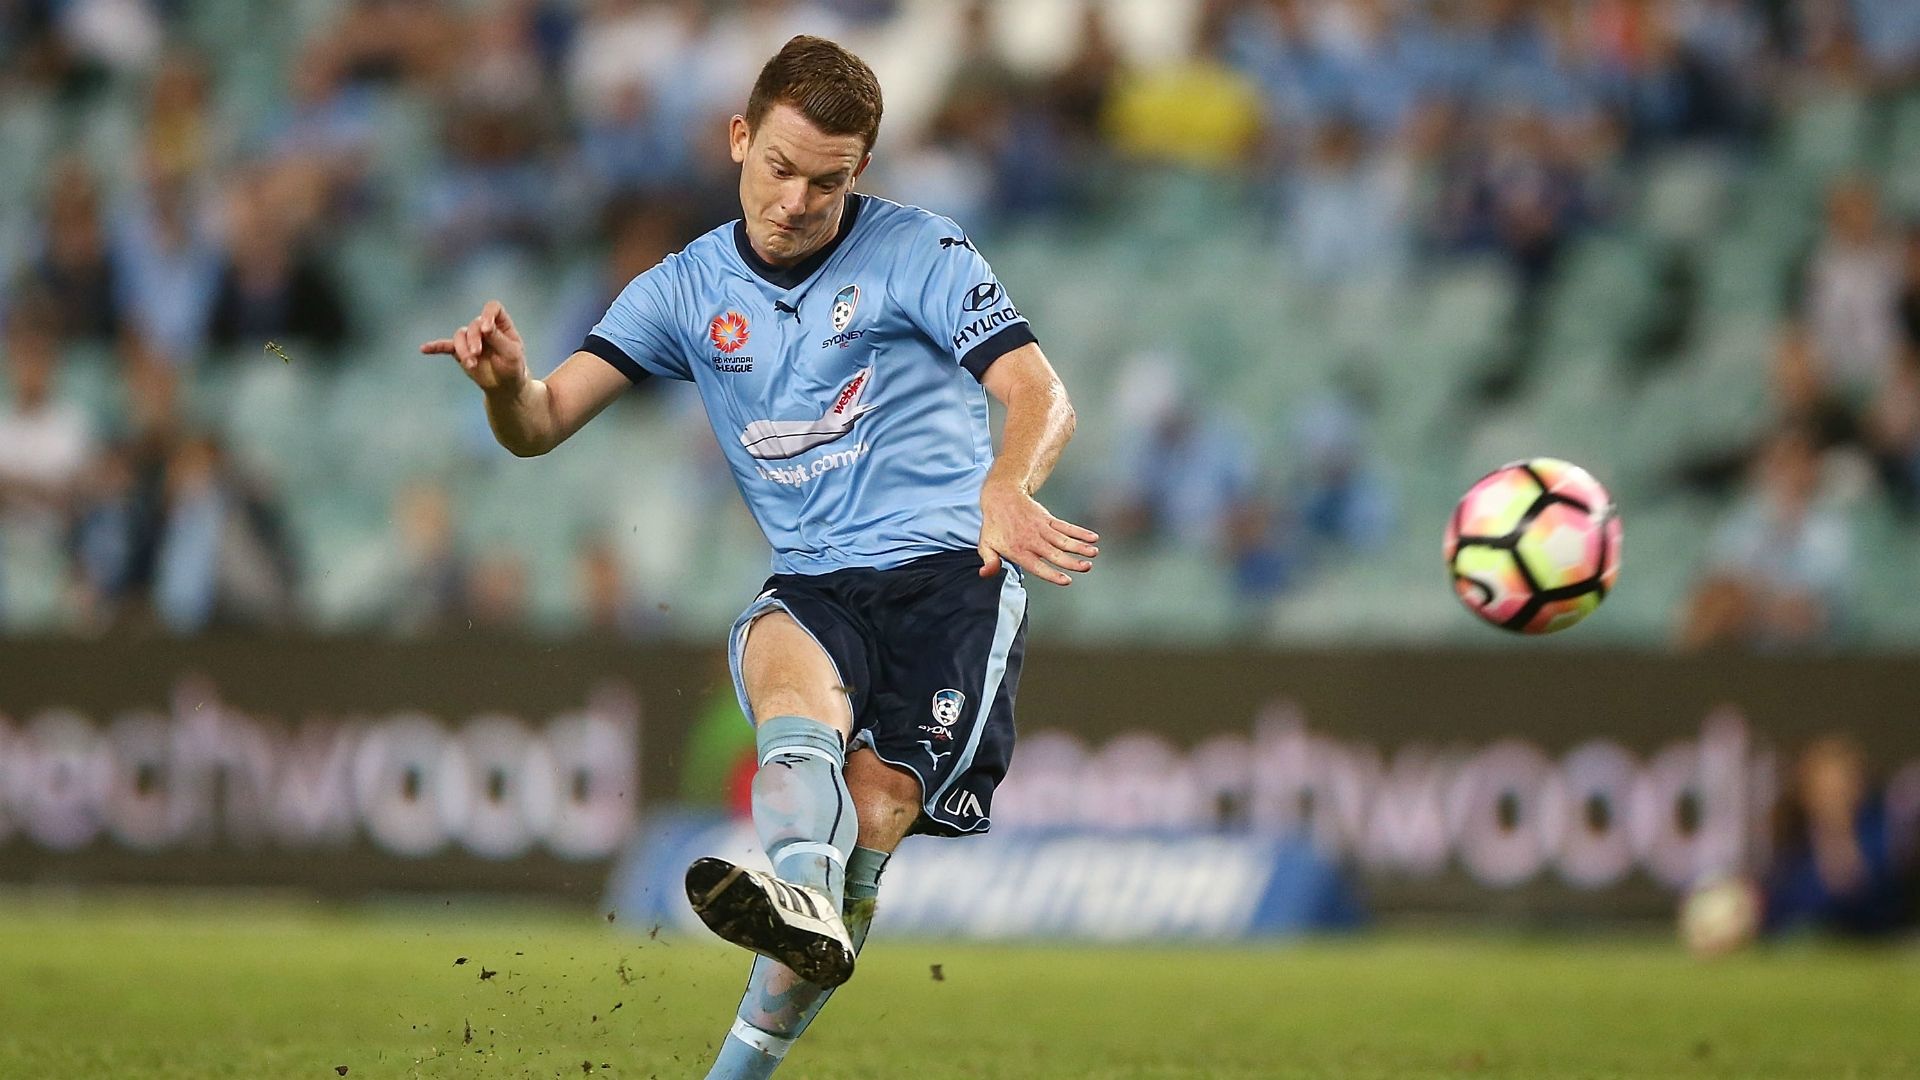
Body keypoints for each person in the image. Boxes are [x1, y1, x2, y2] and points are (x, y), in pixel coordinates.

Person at [419, 36, 1094, 1079]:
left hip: (952, 578)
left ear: (861, 170)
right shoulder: (684, 288)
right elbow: (543, 423)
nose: (797, 201)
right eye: (780, 167)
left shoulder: (922, 250)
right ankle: (804, 891)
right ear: (739, 138)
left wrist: (1009, 484)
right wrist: (506, 386)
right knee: (783, 668)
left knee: (870, 824)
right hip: (816, 577)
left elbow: (1040, 393)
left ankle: (782, 966)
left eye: (828, 182)